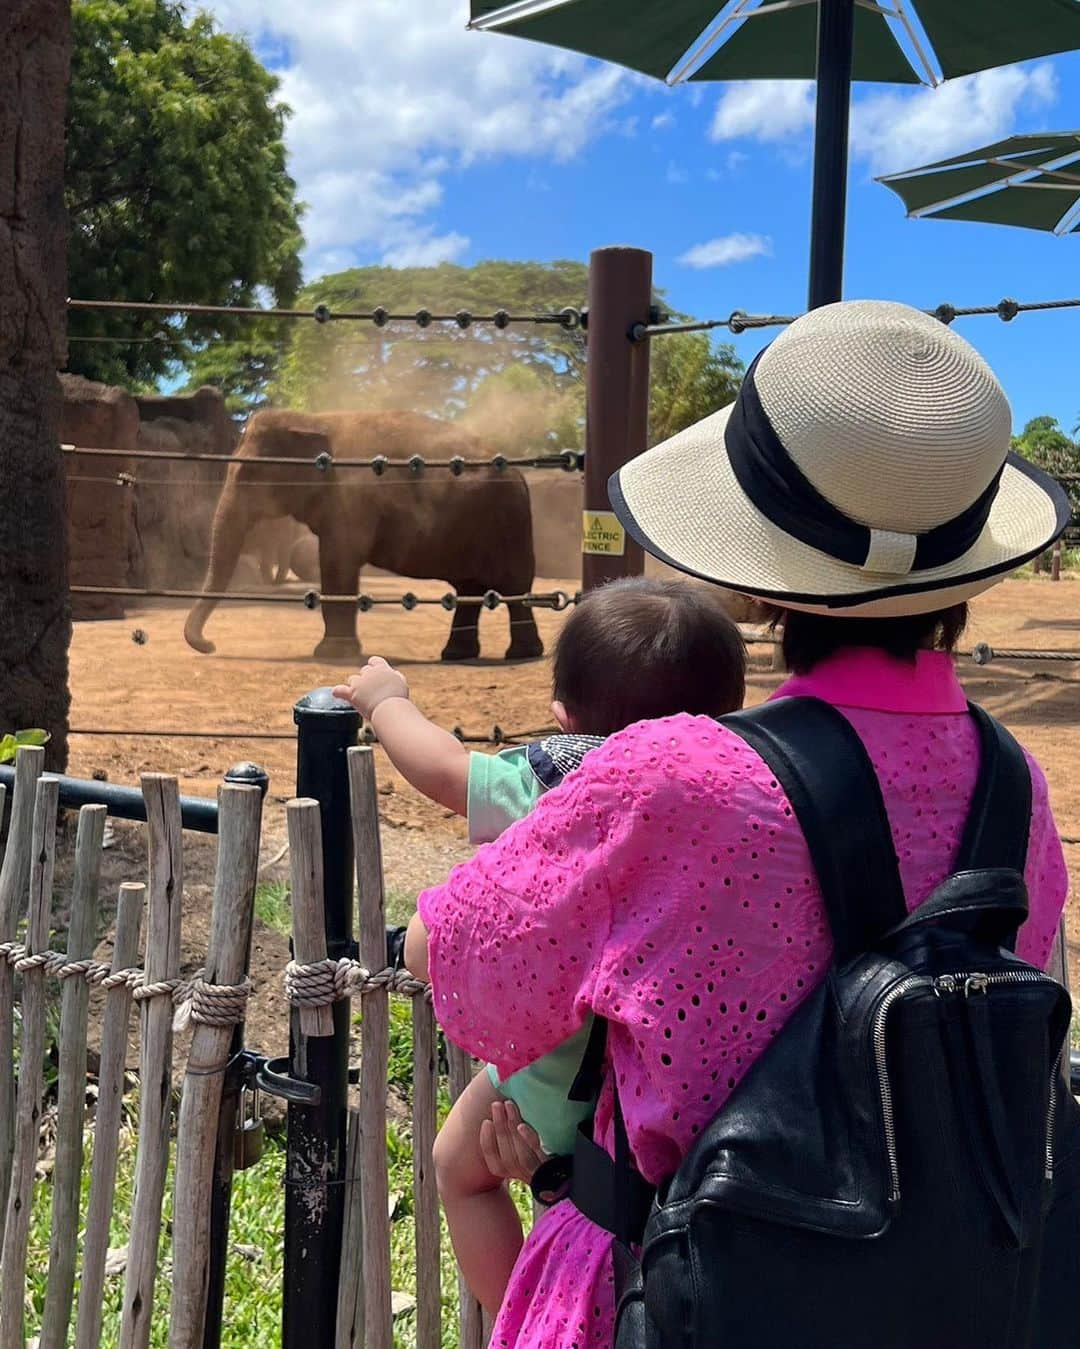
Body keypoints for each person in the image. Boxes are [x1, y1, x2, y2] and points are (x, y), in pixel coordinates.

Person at [402, 300, 1072, 1348]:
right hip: (937, 1305)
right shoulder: (1015, 787)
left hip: (673, 1288)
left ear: (760, 568)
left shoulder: (672, 775)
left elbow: (463, 962)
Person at [332, 576, 747, 1315]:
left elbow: (443, 768)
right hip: (679, 1075)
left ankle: (519, 1315)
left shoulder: (556, 775)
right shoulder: (736, 795)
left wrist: (385, 699)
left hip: (559, 1086)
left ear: (564, 710)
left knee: (457, 1166)